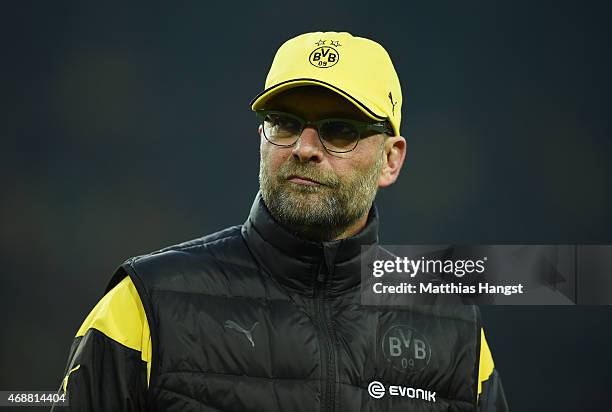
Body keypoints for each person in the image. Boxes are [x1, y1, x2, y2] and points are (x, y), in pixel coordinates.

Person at [52, 31, 508, 411]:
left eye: (339, 130)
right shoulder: (146, 304)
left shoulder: (455, 333)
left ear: (391, 160)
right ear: (262, 138)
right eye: (285, 123)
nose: (304, 147)